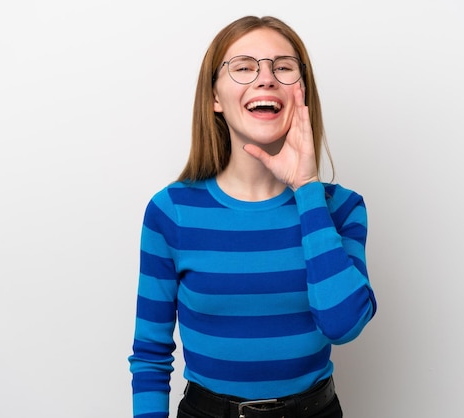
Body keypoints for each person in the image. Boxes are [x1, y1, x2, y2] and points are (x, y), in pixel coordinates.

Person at [129, 15, 377, 418]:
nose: (266, 78)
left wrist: (308, 189)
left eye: (283, 67)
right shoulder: (171, 211)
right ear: (214, 98)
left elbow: (343, 325)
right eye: (244, 67)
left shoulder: (341, 208)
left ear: (301, 92)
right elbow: (151, 354)